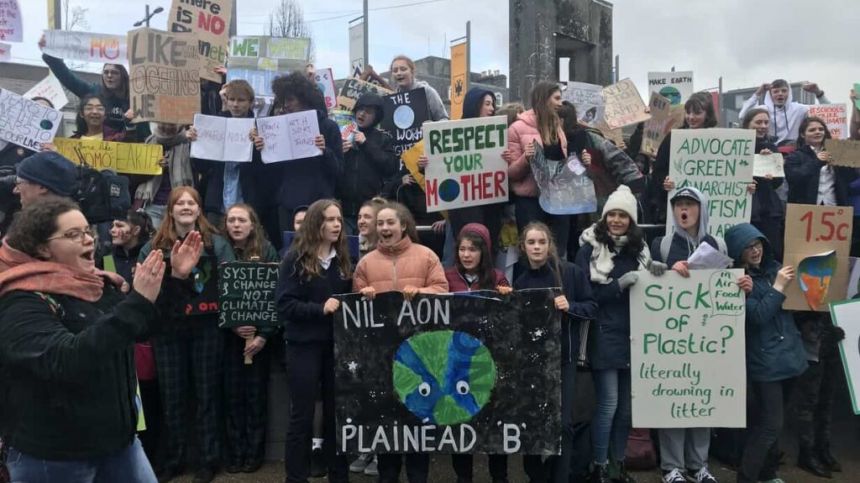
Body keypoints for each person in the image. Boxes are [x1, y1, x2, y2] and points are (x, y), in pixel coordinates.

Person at [0, 197, 202, 482]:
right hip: (55, 457)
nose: (88, 240)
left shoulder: (97, 283)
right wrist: (138, 301)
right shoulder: (21, 300)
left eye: (87, 231)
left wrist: (176, 281)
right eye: (72, 235)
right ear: (42, 247)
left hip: (120, 445)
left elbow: (139, 327)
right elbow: (67, 360)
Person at [138, 187, 236, 483]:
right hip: (167, 330)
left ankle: (208, 460)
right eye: (179, 202)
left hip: (206, 329)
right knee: (172, 396)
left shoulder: (216, 244)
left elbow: (231, 283)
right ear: (170, 210)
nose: (185, 206)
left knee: (207, 394)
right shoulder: (152, 245)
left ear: (199, 209)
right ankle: (174, 458)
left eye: (191, 202)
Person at [353, 201, 448, 483]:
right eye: (380, 224)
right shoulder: (365, 263)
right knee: (387, 426)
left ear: (403, 225)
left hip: (420, 358)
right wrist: (362, 295)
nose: (384, 228)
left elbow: (442, 292)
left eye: (389, 223)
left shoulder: (427, 255)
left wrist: (421, 291)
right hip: (382, 360)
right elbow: (354, 309)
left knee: (417, 427)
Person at [575, 186, 664, 483]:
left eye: (622, 215)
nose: (616, 220)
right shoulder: (589, 249)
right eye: (611, 214)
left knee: (627, 411)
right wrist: (617, 286)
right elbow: (584, 294)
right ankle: (598, 465)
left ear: (631, 220)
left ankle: (618, 465)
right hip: (604, 334)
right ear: (604, 217)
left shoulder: (639, 249)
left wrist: (657, 274)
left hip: (634, 335)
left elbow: (648, 287)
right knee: (609, 405)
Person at [724, 223, 807, 483]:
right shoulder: (736, 281)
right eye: (748, 247)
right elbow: (758, 317)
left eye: (758, 244)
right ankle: (747, 477)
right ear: (738, 252)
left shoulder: (776, 268)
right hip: (766, 362)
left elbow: (794, 306)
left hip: (791, 357)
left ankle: (768, 473)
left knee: (770, 424)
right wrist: (778, 287)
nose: (755, 250)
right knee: (770, 426)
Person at [650, 186, 722, 483]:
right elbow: (651, 280)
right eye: (679, 205)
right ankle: (672, 466)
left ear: (700, 210)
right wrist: (666, 269)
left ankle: (698, 464)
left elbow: (724, 282)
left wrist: (740, 283)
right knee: (674, 398)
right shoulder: (663, 243)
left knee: (701, 399)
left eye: (689, 205)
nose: (684, 210)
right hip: (672, 337)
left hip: (705, 336)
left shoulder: (715, 243)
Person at [277, 199, 353, 483]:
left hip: (335, 347)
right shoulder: (294, 259)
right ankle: (296, 477)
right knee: (302, 416)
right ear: (315, 223)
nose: (336, 225)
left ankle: (339, 474)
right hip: (303, 346)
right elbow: (285, 305)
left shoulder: (343, 258)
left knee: (337, 414)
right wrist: (320, 308)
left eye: (339, 220)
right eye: (330, 219)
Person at [514, 222, 597, 482]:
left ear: (550, 245)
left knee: (563, 425)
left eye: (541, 242)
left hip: (564, 358)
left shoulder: (570, 272)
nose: (537, 247)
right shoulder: (519, 277)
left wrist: (570, 306)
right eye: (531, 242)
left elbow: (591, 308)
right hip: (531, 363)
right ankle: (536, 476)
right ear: (523, 246)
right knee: (532, 424)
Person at [444, 223, 511, 483]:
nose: (466, 255)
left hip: (489, 362)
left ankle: (500, 476)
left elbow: (510, 314)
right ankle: (463, 477)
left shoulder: (497, 277)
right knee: (460, 421)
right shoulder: (447, 276)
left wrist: (508, 296)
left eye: (472, 249)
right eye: (461, 249)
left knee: (495, 421)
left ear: (483, 251)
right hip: (457, 363)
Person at [221, 203, 279, 474]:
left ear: (252, 224)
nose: (236, 225)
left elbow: (275, 295)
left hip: (260, 341)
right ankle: (235, 453)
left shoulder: (267, 251)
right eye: (231, 220)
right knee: (232, 397)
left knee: (256, 398)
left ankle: (254, 454)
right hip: (230, 339)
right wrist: (232, 326)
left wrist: (264, 335)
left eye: (241, 220)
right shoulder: (220, 250)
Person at [263, 73, 343, 236]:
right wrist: (263, 148)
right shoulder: (278, 128)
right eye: (283, 101)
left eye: (290, 100)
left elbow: (339, 170)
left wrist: (324, 151)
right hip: (287, 206)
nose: (285, 105)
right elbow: (270, 171)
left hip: (319, 205)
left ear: (305, 99)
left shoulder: (329, 127)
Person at [505, 81, 572, 257]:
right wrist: (525, 159)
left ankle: (558, 283)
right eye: (556, 98)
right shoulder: (516, 129)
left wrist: (581, 164)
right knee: (532, 255)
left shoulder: (558, 127)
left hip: (558, 201)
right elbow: (510, 173)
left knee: (558, 253)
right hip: (531, 203)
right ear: (544, 99)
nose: (560, 103)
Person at [444, 88, 513, 257]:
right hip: (463, 208)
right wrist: (426, 165)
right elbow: (442, 169)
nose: (491, 109)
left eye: (493, 105)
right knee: (467, 251)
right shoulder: (453, 134)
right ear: (474, 105)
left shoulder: (499, 135)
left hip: (491, 208)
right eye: (487, 104)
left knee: (487, 253)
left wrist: (508, 160)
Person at [38, 35, 139, 138]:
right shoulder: (94, 92)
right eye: (106, 72)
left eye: (114, 73)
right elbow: (68, 78)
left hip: (127, 146)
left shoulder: (136, 97)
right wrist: (49, 54)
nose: (109, 76)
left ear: (123, 76)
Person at [651, 92, 718, 225]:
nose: (691, 117)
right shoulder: (673, 138)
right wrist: (665, 182)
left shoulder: (719, 140)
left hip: (711, 210)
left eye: (697, 113)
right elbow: (658, 171)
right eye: (688, 112)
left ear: (708, 115)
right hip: (677, 207)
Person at [337, 93, 398, 234]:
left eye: (369, 112)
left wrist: (366, 144)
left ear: (376, 117)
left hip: (370, 210)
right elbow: (331, 169)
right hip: (344, 210)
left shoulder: (382, 138)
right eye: (360, 109)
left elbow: (390, 167)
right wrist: (339, 153)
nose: (362, 114)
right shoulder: (342, 134)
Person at [741, 108, 785, 260]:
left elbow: (778, 182)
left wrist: (770, 168)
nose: (763, 126)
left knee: (773, 251)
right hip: (745, 210)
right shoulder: (738, 147)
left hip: (768, 210)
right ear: (747, 124)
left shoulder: (772, 148)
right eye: (758, 122)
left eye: (766, 122)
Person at [785, 116, 855, 206]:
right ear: (803, 134)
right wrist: (817, 162)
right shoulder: (795, 156)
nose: (817, 132)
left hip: (834, 205)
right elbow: (793, 178)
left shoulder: (835, 152)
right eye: (812, 130)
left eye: (821, 129)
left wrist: (842, 163)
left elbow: (850, 178)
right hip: (806, 208)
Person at [136, 123, 195, 229]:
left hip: (179, 204)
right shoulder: (149, 142)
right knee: (154, 242)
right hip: (153, 204)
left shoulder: (188, 142)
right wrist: (154, 167)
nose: (167, 126)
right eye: (164, 123)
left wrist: (196, 142)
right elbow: (137, 176)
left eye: (172, 124)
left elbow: (200, 168)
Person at [738, 79, 829, 146]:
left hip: (794, 150)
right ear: (770, 95)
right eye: (776, 91)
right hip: (769, 149)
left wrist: (818, 93)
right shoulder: (764, 110)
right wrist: (758, 93)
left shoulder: (799, 109)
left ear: (789, 93)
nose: (780, 94)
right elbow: (742, 116)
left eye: (784, 91)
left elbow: (829, 112)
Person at [389, 55, 448, 121]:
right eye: (395, 71)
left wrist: (430, 127)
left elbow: (443, 118)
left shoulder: (427, 92)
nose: (398, 73)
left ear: (412, 72)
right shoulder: (392, 100)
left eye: (403, 69)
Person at [13, 151, 78, 207]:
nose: (15, 190)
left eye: (18, 183)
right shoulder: (69, 218)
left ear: (42, 187)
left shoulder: (49, 221)